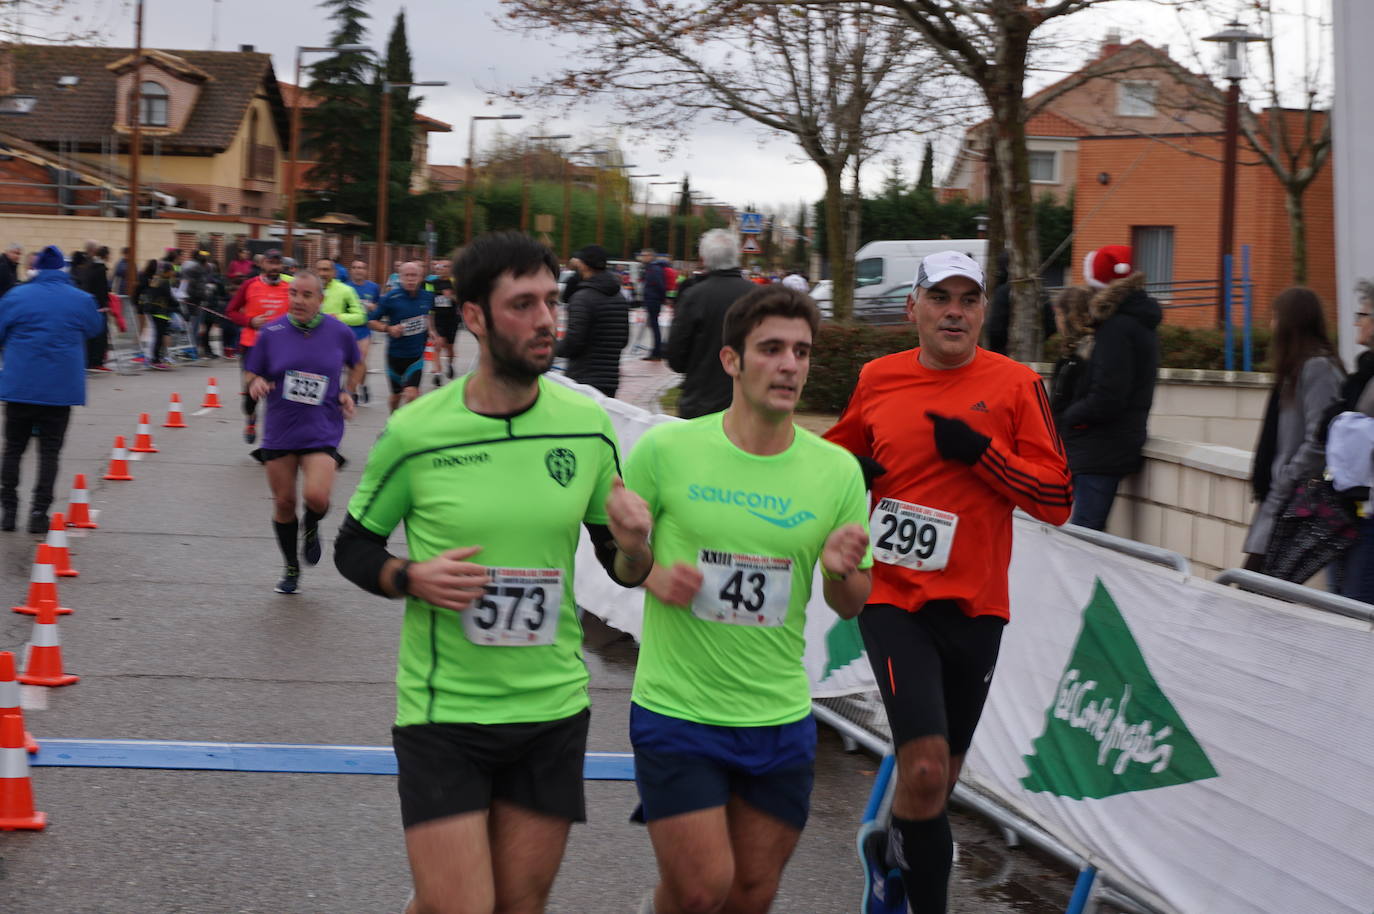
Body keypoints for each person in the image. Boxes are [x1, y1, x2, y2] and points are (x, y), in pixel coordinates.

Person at [333, 231, 653, 914]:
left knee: (516, 905)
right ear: (474, 316)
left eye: (550, 301)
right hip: (445, 713)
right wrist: (409, 576)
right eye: (522, 304)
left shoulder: (586, 426)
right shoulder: (418, 431)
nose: (545, 320)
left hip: (551, 710)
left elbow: (623, 570)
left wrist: (635, 546)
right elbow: (354, 547)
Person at [824, 250, 1072, 914]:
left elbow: (1058, 500)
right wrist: (850, 473)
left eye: (968, 299)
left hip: (976, 606)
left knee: (936, 781)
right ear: (913, 308)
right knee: (927, 766)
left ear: (984, 311)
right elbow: (835, 457)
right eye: (940, 297)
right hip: (893, 598)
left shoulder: (1017, 385)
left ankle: (889, 855)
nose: (954, 312)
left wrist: (983, 454)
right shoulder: (879, 378)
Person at [625, 285, 872, 914]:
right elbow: (621, 560)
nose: (789, 365)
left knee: (751, 894)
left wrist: (841, 571)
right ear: (731, 360)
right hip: (679, 709)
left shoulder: (837, 471)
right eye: (771, 349)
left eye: (801, 352)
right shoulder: (666, 451)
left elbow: (852, 603)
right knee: (700, 888)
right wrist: (649, 570)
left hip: (778, 715)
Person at [243, 269, 363, 594]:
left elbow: (357, 364)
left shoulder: (339, 332)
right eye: (293, 293)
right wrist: (256, 382)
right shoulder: (271, 332)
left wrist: (348, 391)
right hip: (281, 429)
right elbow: (251, 372)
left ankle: (311, 524)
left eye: (306, 295)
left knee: (317, 497)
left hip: (321, 428)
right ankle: (291, 567)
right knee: (284, 503)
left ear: (320, 299)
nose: (298, 300)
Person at [1052, 246, 1161, 531]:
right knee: (1082, 532)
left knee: (1084, 535)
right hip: (1107, 443)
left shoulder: (1116, 328)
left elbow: (1108, 395)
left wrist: (1071, 418)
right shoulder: (1136, 323)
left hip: (1100, 447)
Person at [0, 245, 105, 533]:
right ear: (62, 269)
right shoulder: (80, 299)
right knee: (50, 452)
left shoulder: (15, 296)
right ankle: (39, 513)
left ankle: (8, 511)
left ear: (36, 269)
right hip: (60, 390)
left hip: (20, 387)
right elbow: (94, 328)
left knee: (13, 449)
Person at [1242, 287, 1345, 571]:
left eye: (1276, 317)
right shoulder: (1295, 369)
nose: (1271, 325)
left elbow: (1320, 438)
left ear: (1291, 323)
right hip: (1281, 502)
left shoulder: (1317, 368)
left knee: (1252, 586)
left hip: (1295, 505)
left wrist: (1287, 479)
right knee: (1252, 585)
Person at [667, 229, 755, 419]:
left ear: (704, 259)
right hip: (748, 401)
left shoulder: (694, 296)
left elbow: (675, 356)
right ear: (737, 256)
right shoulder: (759, 296)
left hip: (701, 401)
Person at [227, 249, 294, 443]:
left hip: (281, 348)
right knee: (251, 393)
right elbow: (231, 311)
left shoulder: (289, 287)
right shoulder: (249, 285)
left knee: (280, 391)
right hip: (252, 346)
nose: (274, 267)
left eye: (277, 263)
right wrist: (250, 321)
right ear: (262, 264)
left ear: (282, 266)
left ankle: (277, 433)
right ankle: (251, 417)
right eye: (270, 263)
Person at [557, 244, 629, 398]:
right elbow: (623, 340)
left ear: (584, 265)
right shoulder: (619, 297)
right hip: (610, 379)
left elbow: (573, 343)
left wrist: (551, 348)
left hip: (582, 378)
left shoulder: (582, 298)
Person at [369, 261, 435, 412]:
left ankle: (407, 423)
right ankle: (393, 418)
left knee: (412, 394)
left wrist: (432, 330)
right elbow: (371, 321)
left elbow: (427, 315)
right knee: (396, 396)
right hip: (395, 356)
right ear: (400, 277)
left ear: (421, 277)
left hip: (416, 357)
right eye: (407, 275)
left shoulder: (427, 297)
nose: (410, 279)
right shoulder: (391, 298)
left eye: (414, 275)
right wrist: (388, 328)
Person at [347, 259, 381, 406]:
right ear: (351, 270)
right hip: (348, 328)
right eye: (355, 267)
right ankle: (354, 391)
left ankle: (360, 386)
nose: (358, 270)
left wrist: (374, 307)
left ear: (366, 271)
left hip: (364, 328)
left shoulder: (373, 287)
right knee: (351, 363)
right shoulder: (345, 287)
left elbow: (379, 306)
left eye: (361, 267)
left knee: (359, 361)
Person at [136, 260, 178, 371]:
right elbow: (169, 297)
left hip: (153, 311)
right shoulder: (165, 282)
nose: (173, 273)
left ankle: (154, 358)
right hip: (161, 312)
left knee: (157, 335)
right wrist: (176, 304)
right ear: (167, 271)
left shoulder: (156, 279)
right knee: (159, 336)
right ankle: (155, 360)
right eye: (172, 271)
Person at [77, 242, 112, 371]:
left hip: (90, 304)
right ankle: (97, 361)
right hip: (99, 306)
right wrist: (105, 303)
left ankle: (90, 360)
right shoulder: (101, 269)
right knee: (100, 334)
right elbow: (102, 289)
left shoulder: (89, 267)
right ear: (106, 256)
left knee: (92, 333)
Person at [428, 258, 461, 385]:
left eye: (446, 266)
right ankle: (437, 373)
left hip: (452, 319)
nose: (442, 269)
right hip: (438, 318)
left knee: (450, 348)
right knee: (438, 344)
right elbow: (427, 298)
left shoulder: (455, 283)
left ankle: (450, 364)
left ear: (450, 269)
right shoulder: (432, 283)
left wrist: (450, 296)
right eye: (440, 266)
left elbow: (462, 300)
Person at [639, 248, 667, 361]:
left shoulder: (654, 269)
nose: (642, 257)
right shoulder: (650, 268)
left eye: (644, 255)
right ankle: (656, 351)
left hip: (653, 300)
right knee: (653, 326)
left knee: (654, 326)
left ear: (651, 256)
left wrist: (660, 299)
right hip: (652, 299)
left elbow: (660, 285)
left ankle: (657, 352)